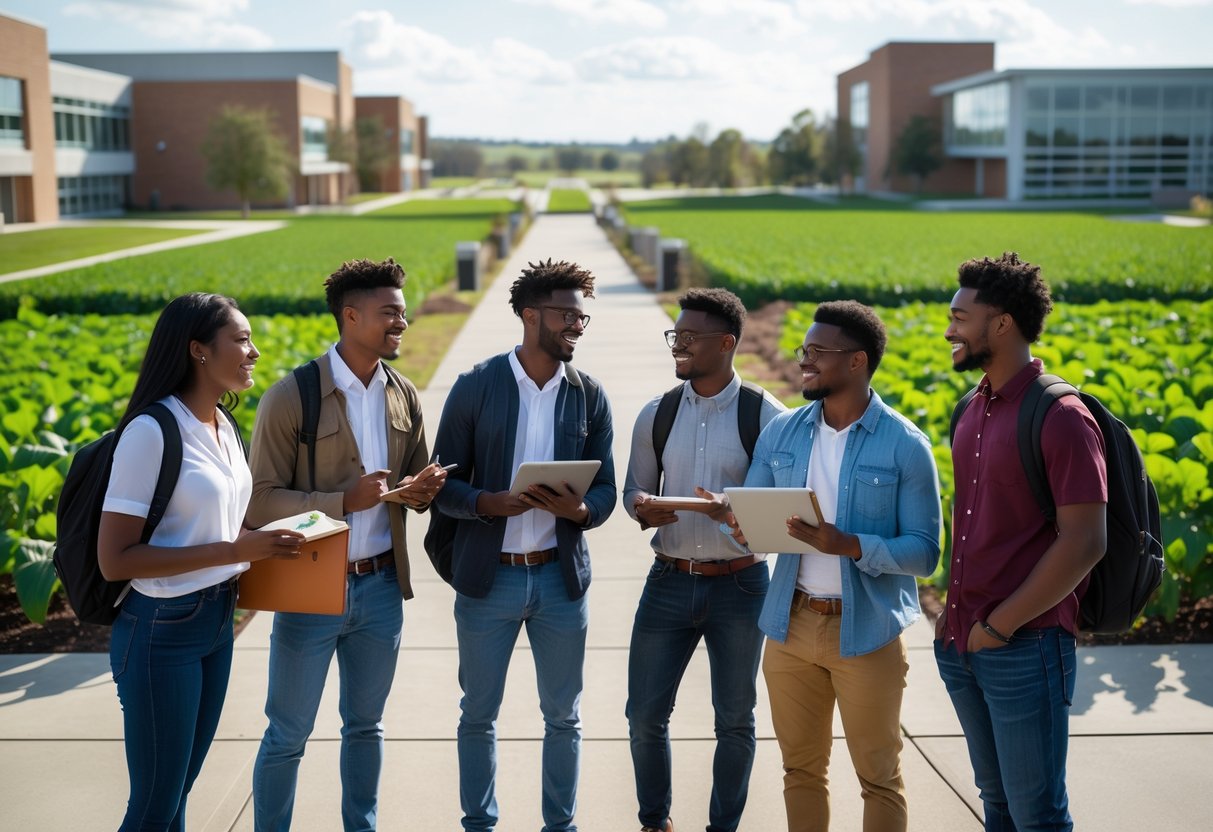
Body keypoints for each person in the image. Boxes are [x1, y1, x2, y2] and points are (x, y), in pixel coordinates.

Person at [246, 258, 447, 832]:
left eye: (403, 314)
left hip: (382, 588)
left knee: (366, 727)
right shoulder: (291, 397)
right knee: (288, 732)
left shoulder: (404, 394)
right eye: (390, 314)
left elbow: (410, 484)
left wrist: (420, 491)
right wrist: (342, 502)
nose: (401, 324)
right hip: (311, 588)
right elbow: (258, 503)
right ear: (350, 316)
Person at [725, 300, 941, 832]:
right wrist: (742, 523)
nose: (805, 360)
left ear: (857, 362)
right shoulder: (783, 433)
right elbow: (757, 507)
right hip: (790, 626)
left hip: (866, 632)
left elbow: (925, 552)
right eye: (805, 350)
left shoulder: (906, 446)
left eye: (818, 352)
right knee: (800, 770)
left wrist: (848, 544)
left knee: (878, 777)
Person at [99, 292, 305, 832]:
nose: (254, 351)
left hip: (217, 622)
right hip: (160, 631)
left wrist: (274, 538)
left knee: (178, 794)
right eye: (240, 340)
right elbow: (115, 560)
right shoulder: (151, 433)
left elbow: (220, 525)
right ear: (197, 351)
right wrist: (239, 551)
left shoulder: (225, 426)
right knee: (153, 806)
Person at [430, 258, 616, 832]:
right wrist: (488, 503)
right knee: (478, 714)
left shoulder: (589, 396)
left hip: (561, 583)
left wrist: (580, 510)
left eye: (582, 319)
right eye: (567, 316)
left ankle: (560, 826)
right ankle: (478, 823)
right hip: (491, 580)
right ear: (530, 315)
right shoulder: (474, 387)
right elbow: (442, 485)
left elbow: (606, 487)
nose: (576, 327)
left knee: (564, 716)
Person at [937, 252, 1107, 832]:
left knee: (1038, 815)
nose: (948, 329)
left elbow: (1085, 541)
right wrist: (957, 624)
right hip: (964, 641)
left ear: (1002, 323)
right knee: (998, 804)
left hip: (1025, 646)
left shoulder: (1061, 415)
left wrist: (1000, 625)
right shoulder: (970, 408)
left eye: (961, 317)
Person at [622, 288, 785, 832]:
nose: (679, 346)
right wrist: (642, 509)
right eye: (676, 336)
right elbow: (634, 491)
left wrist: (734, 509)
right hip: (667, 579)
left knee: (735, 721)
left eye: (690, 338)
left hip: (740, 587)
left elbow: (789, 503)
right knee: (644, 716)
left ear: (727, 343)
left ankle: (723, 827)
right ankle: (654, 822)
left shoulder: (767, 416)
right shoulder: (657, 413)